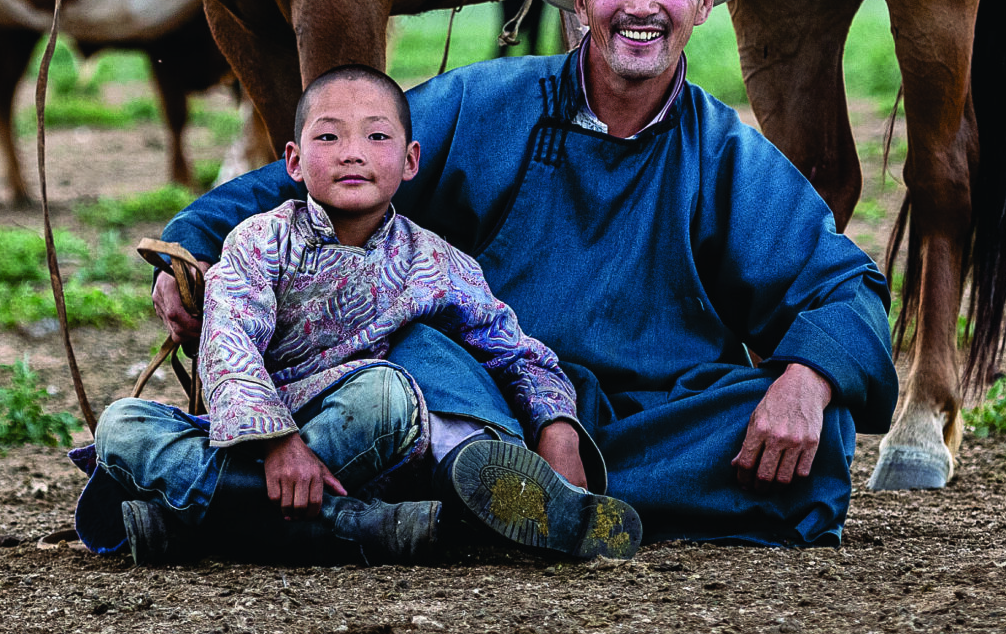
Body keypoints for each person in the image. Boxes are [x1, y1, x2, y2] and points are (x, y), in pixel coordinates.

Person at [152, 0, 899, 547]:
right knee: (414, 348)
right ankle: (516, 490)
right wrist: (192, 243)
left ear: (704, 2)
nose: (641, 4)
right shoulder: (488, 103)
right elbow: (339, 163)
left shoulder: (726, 153)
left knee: (820, 433)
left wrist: (808, 376)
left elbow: (846, 287)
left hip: (645, 421)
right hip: (489, 400)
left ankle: (494, 503)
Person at [75, 65, 647, 566]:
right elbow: (229, 341)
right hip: (254, 437)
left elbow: (515, 351)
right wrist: (277, 442)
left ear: (410, 160)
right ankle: (355, 528)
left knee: (387, 392)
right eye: (329, 136)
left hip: (366, 440)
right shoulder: (259, 240)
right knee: (121, 424)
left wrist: (557, 429)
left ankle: (192, 521)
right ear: (294, 162)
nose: (352, 152)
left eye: (376, 136)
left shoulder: (436, 261)